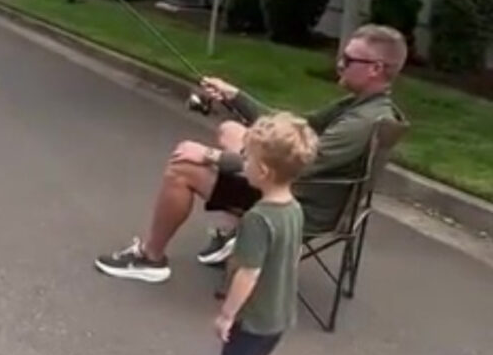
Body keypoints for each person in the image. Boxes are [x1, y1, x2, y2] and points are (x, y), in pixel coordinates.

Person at [94, 24, 408, 283]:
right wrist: (235, 97)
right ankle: (233, 235)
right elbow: (292, 127)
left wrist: (212, 157)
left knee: (183, 167)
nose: (339, 64)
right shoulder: (367, 107)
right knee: (230, 130)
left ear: (375, 69)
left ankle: (150, 258)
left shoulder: (361, 122)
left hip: (294, 205)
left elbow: (290, 165)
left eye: (348, 60)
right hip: (301, 191)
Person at [190, 112, 319, 355]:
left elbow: (248, 272)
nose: (242, 163)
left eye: (247, 158)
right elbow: (292, 256)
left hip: (255, 312)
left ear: (263, 171)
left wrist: (227, 314)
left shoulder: (258, 219)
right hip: (279, 310)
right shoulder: (294, 209)